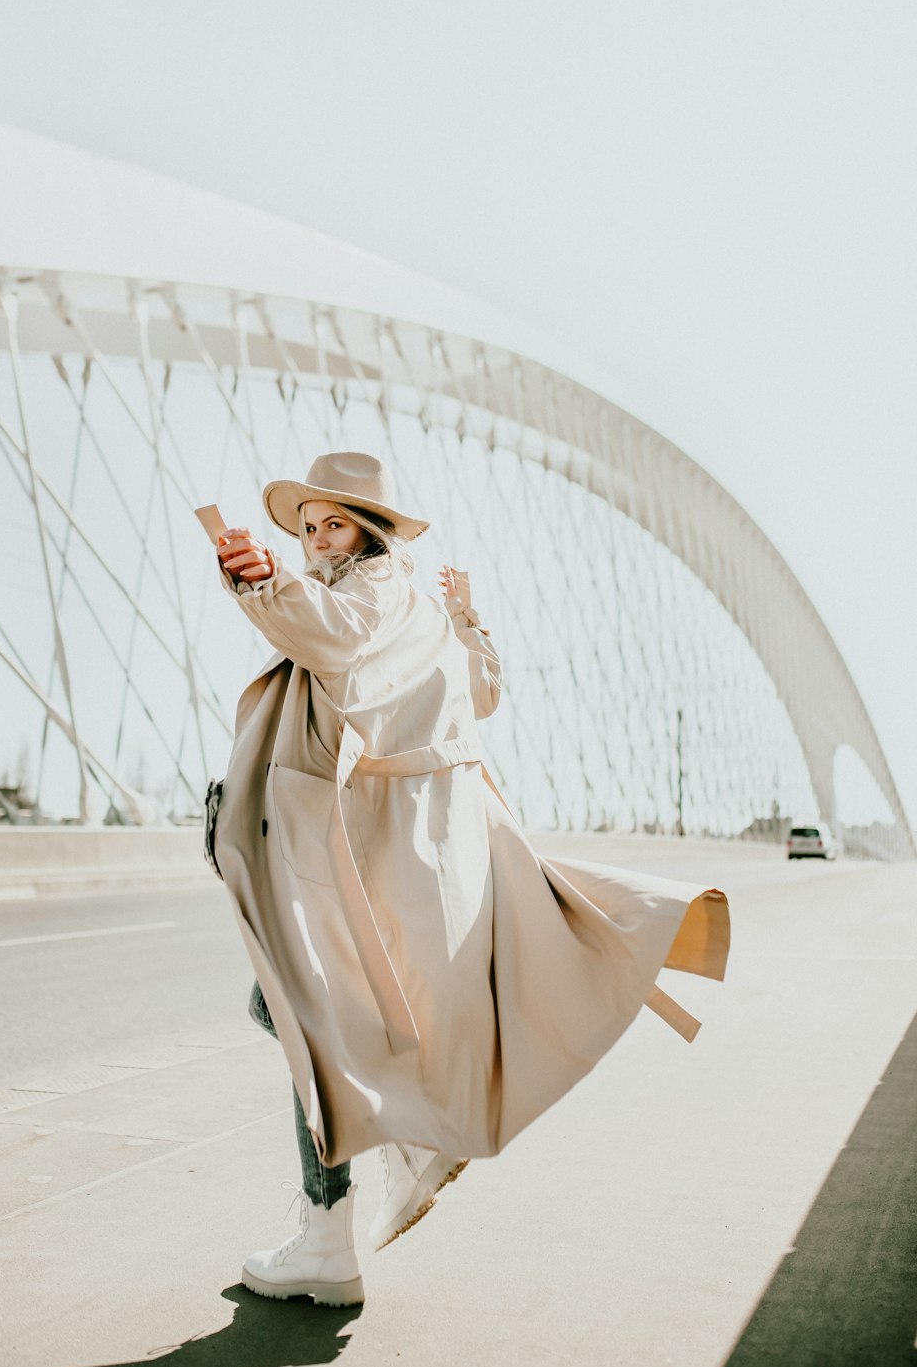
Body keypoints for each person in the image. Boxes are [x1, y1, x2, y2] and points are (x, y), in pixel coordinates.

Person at [210, 450, 729, 1307]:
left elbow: (328, 635)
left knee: (304, 1019)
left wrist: (262, 583)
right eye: (304, 527)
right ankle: (366, 1169)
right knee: (306, 1015)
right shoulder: (415, 611)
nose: (313, 538)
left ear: (369, 533)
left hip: (361, 847)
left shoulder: (367, 591)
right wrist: (468, 618)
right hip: (412, 846)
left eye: (331, 523)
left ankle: (334, 1224)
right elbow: (481, 693)